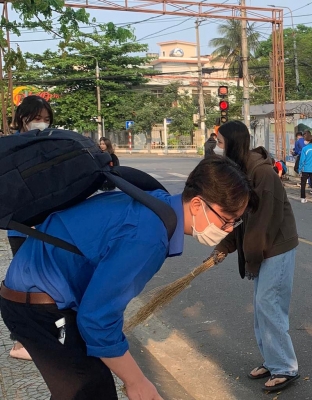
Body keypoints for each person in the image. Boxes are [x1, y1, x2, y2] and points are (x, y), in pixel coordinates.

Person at [0, 157, 254, 400]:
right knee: (90, 390)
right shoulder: (149, 237)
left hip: (38, 291)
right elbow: (97, 318)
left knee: (83, 387)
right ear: (197, 205)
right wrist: (136, 382)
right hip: (37, 307)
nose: (228, 229)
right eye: (227, 220)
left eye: (235, 222)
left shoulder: (156, 202)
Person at [213, 121, 300, 393]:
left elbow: (262, 223)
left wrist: (251, 257)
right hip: (262, 246)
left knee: (268, 304)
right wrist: (225, 246)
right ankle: (273, 360)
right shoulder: (241, 171)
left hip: (276, 246)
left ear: (233, 143)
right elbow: (240, 217)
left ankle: (285, 367)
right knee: (261, 306)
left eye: (220, 142)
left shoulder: (262, 173)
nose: (218, 147)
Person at [6, 95, 54, 361]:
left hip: (46, 225)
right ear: (22, 118)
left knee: (45, 282)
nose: (42, 123)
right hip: (22, 227)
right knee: (25, 282)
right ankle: (20, 341)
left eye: (46, 119)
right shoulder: (10, 147)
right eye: (37, 118)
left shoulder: (48, 145)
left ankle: (39, 337)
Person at [298, 132, 312, 204]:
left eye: (305, 140)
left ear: (308, 141)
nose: (304, 141)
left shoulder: (304, 149)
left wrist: (299, 170)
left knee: (303, 184)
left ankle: (303, 198)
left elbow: (302, 160)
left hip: (305, 169)